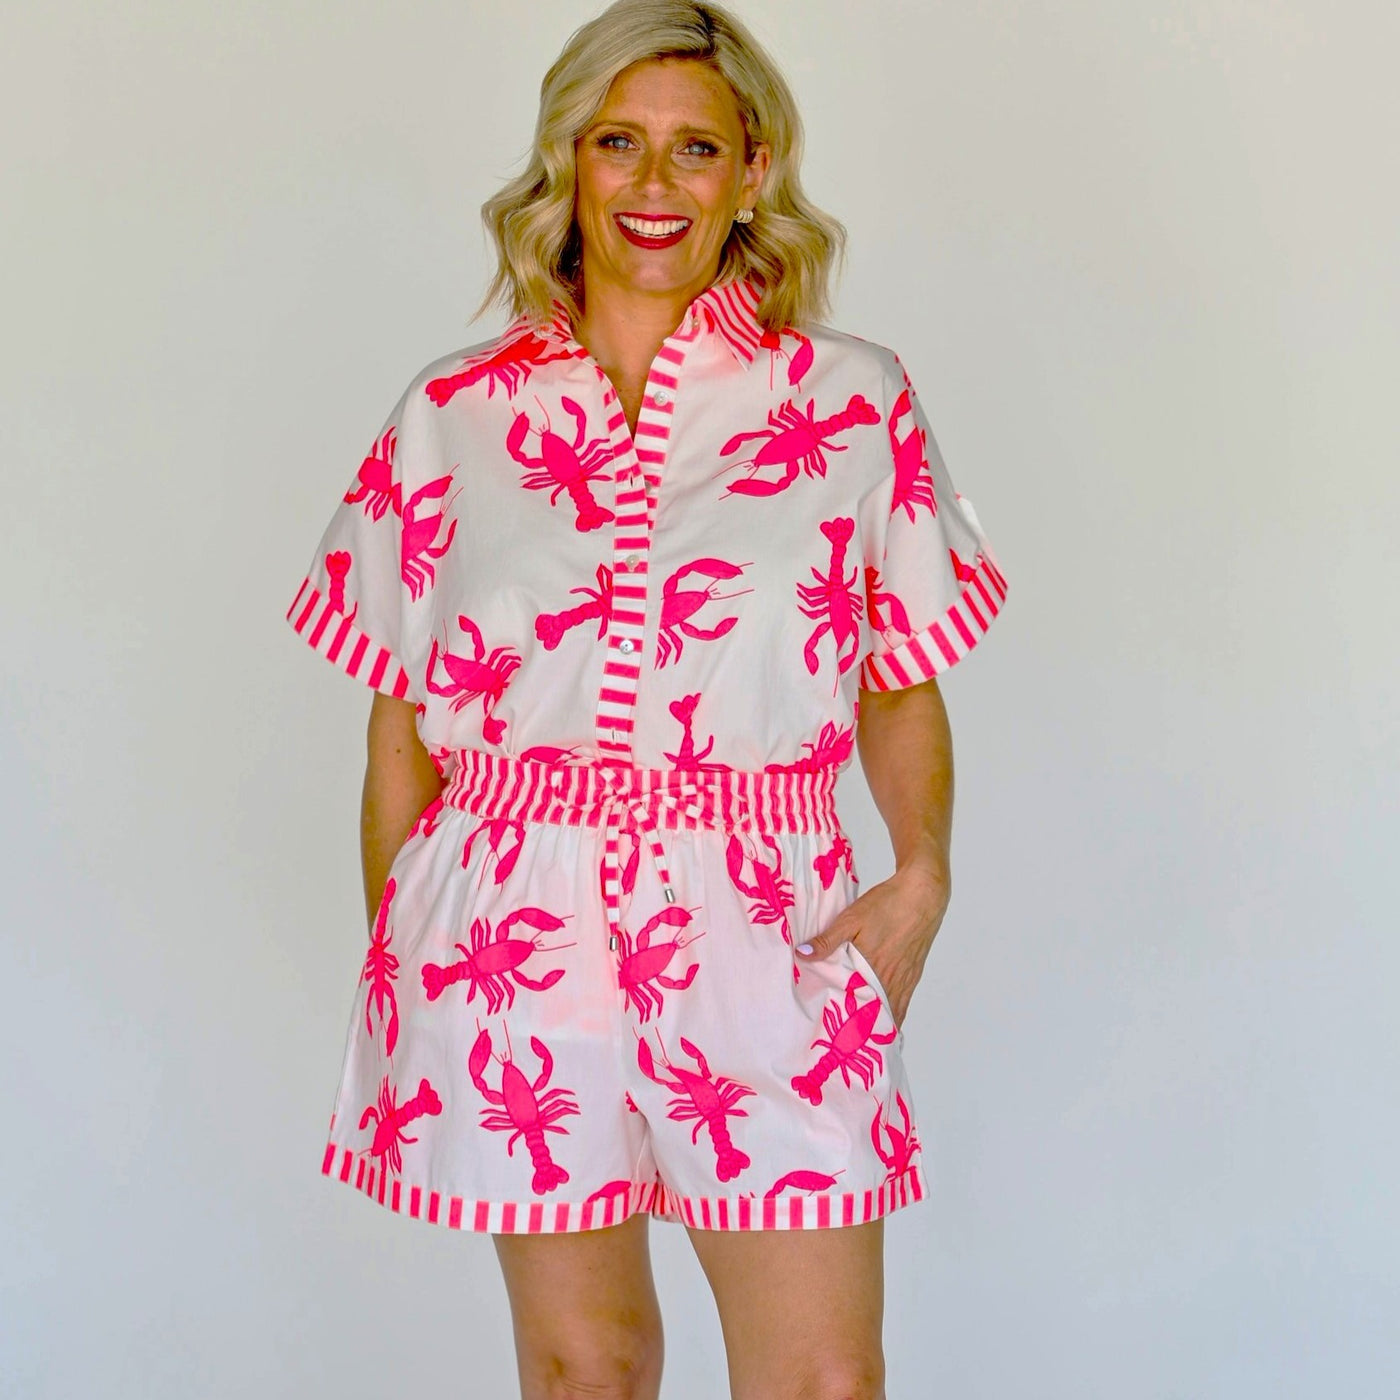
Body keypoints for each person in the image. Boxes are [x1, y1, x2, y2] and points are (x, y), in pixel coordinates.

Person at [285, 1, 1008, 1395]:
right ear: (568, 158)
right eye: (619, 142)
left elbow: (899, 682)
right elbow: (399, 727)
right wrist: (403, 956)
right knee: (586, 1370)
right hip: (514, 926)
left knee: (822, 1376)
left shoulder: (851, 402)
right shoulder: (454, 412)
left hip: (768, 919)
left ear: (753, 170)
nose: (654, 182)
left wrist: (922, 874)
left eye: (697, 147)